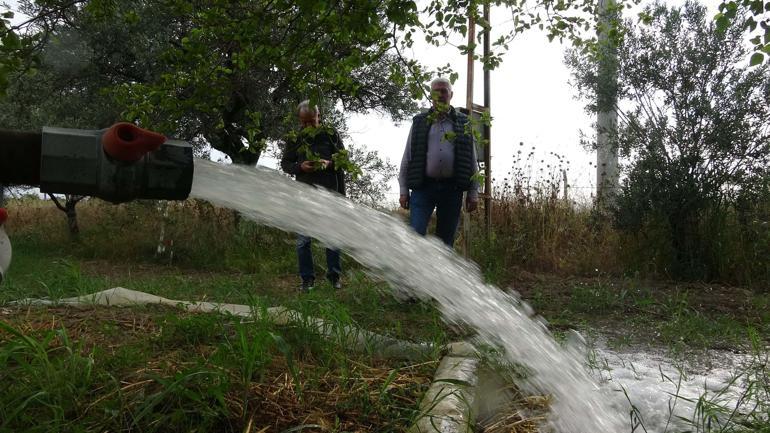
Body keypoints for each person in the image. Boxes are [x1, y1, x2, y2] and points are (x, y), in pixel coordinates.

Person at [398, 77, 479, 247]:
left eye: (444, 91)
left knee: (445, 243)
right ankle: (416, 273)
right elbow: (408, 157)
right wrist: (404, 190)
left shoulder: (464, 123)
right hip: (423, 188)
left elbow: (471, 159)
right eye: (436, 91)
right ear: (431, 95)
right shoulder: (420, 122)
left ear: (451, 94)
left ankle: (438, 274)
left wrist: (473, 192)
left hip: (452, 190)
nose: (440, 94)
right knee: (415, 236)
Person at [280, 100, 346, 292]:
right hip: (304, 196)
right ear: (300, 120)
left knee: (332, 238)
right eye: (304, 122)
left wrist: (329, 163)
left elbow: (343, 159)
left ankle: (334, 278)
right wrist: (299, 167)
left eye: (311, 121)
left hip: (330, 194)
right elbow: (285, 163)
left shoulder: (331, 134)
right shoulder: (295, 138)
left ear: (319, 116)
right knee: (303, 241)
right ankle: (307, 280)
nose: (308, 126)